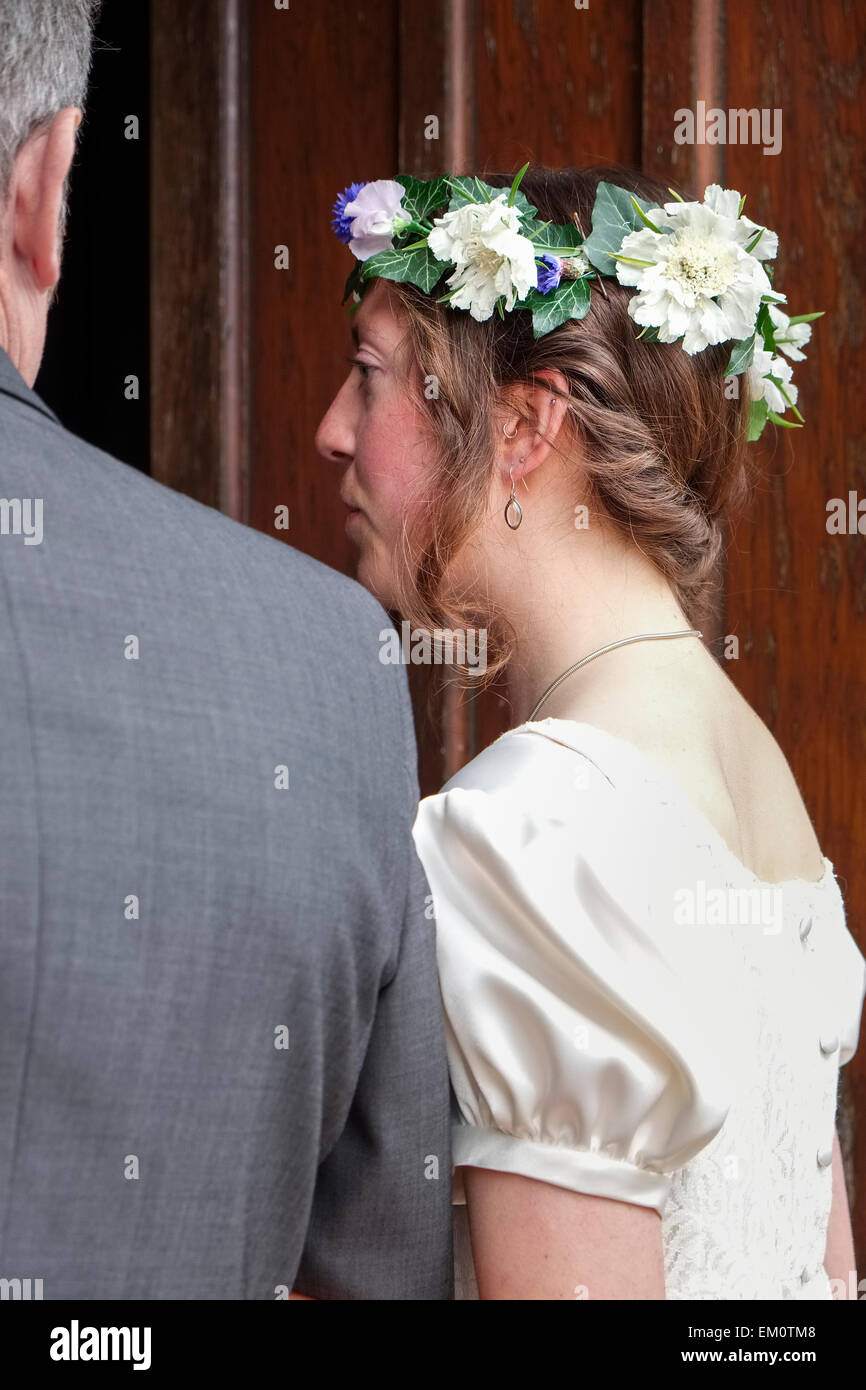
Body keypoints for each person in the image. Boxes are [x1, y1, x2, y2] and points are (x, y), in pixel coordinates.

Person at [318, 161, 866, 1298]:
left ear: (524, 426)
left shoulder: (528, 835)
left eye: (368, 378)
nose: (331, 432)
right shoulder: (754, 769)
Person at [0, 0, 453, 1299]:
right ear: (48, 183)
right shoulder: (323, 662)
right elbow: (385, 1261)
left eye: (366, 374)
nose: (322, 432)